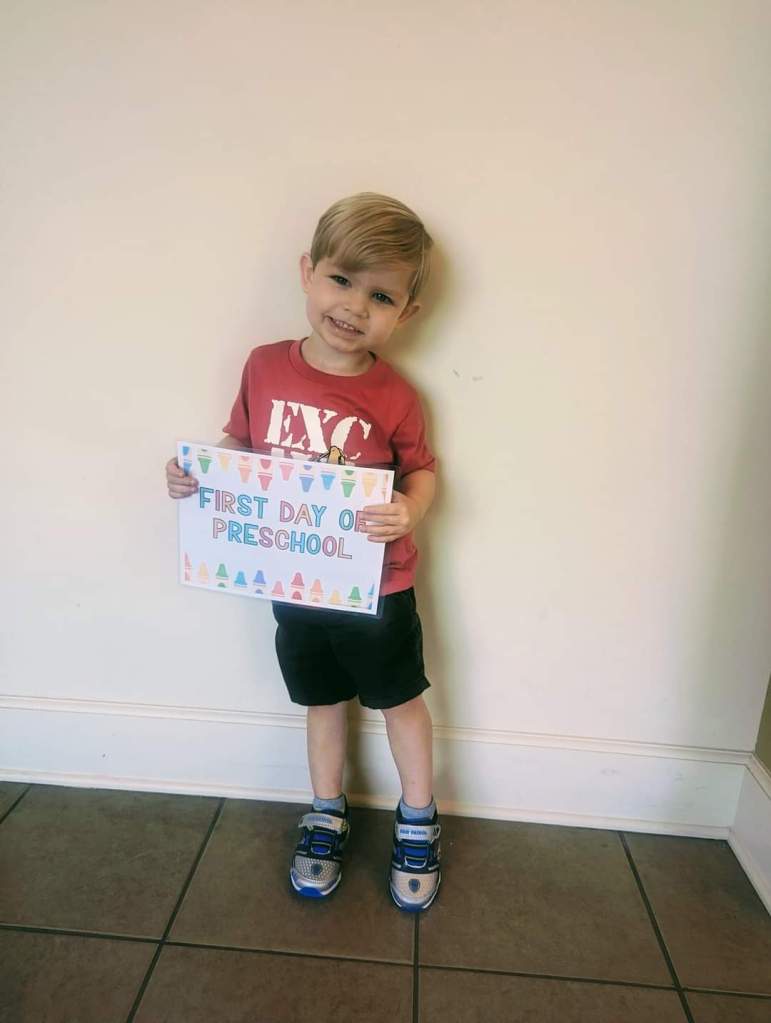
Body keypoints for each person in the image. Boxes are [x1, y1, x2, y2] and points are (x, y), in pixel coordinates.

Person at [166, 193, 441, 911]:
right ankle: (326, 809)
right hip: (293, 582)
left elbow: (422, 470)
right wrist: (199, 474)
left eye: (380, 296)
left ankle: (418, 817)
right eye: (341, 280)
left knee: (399, 699)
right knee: (320, 700)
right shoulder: (263, 366)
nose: (354, 306)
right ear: (306, 272)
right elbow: (239, 445)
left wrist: (410, 508)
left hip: (378, 587)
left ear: (405, 312)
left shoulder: (395, 394)